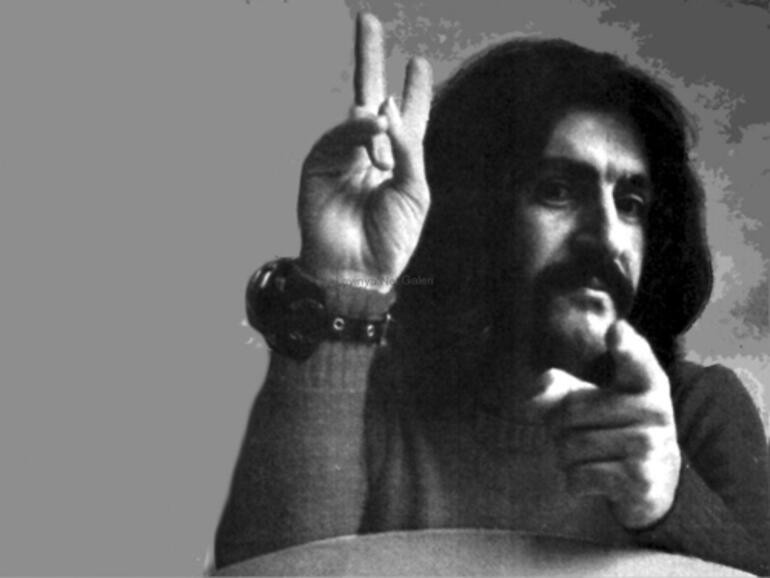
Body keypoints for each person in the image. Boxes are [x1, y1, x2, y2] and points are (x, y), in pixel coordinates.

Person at [214, 13, 770, 575]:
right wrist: (343, 277)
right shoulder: (379, 404)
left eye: (630, 204)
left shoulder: (699, 410)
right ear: (477, 213)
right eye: (557, 191)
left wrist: (672, 499)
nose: (607, 237)